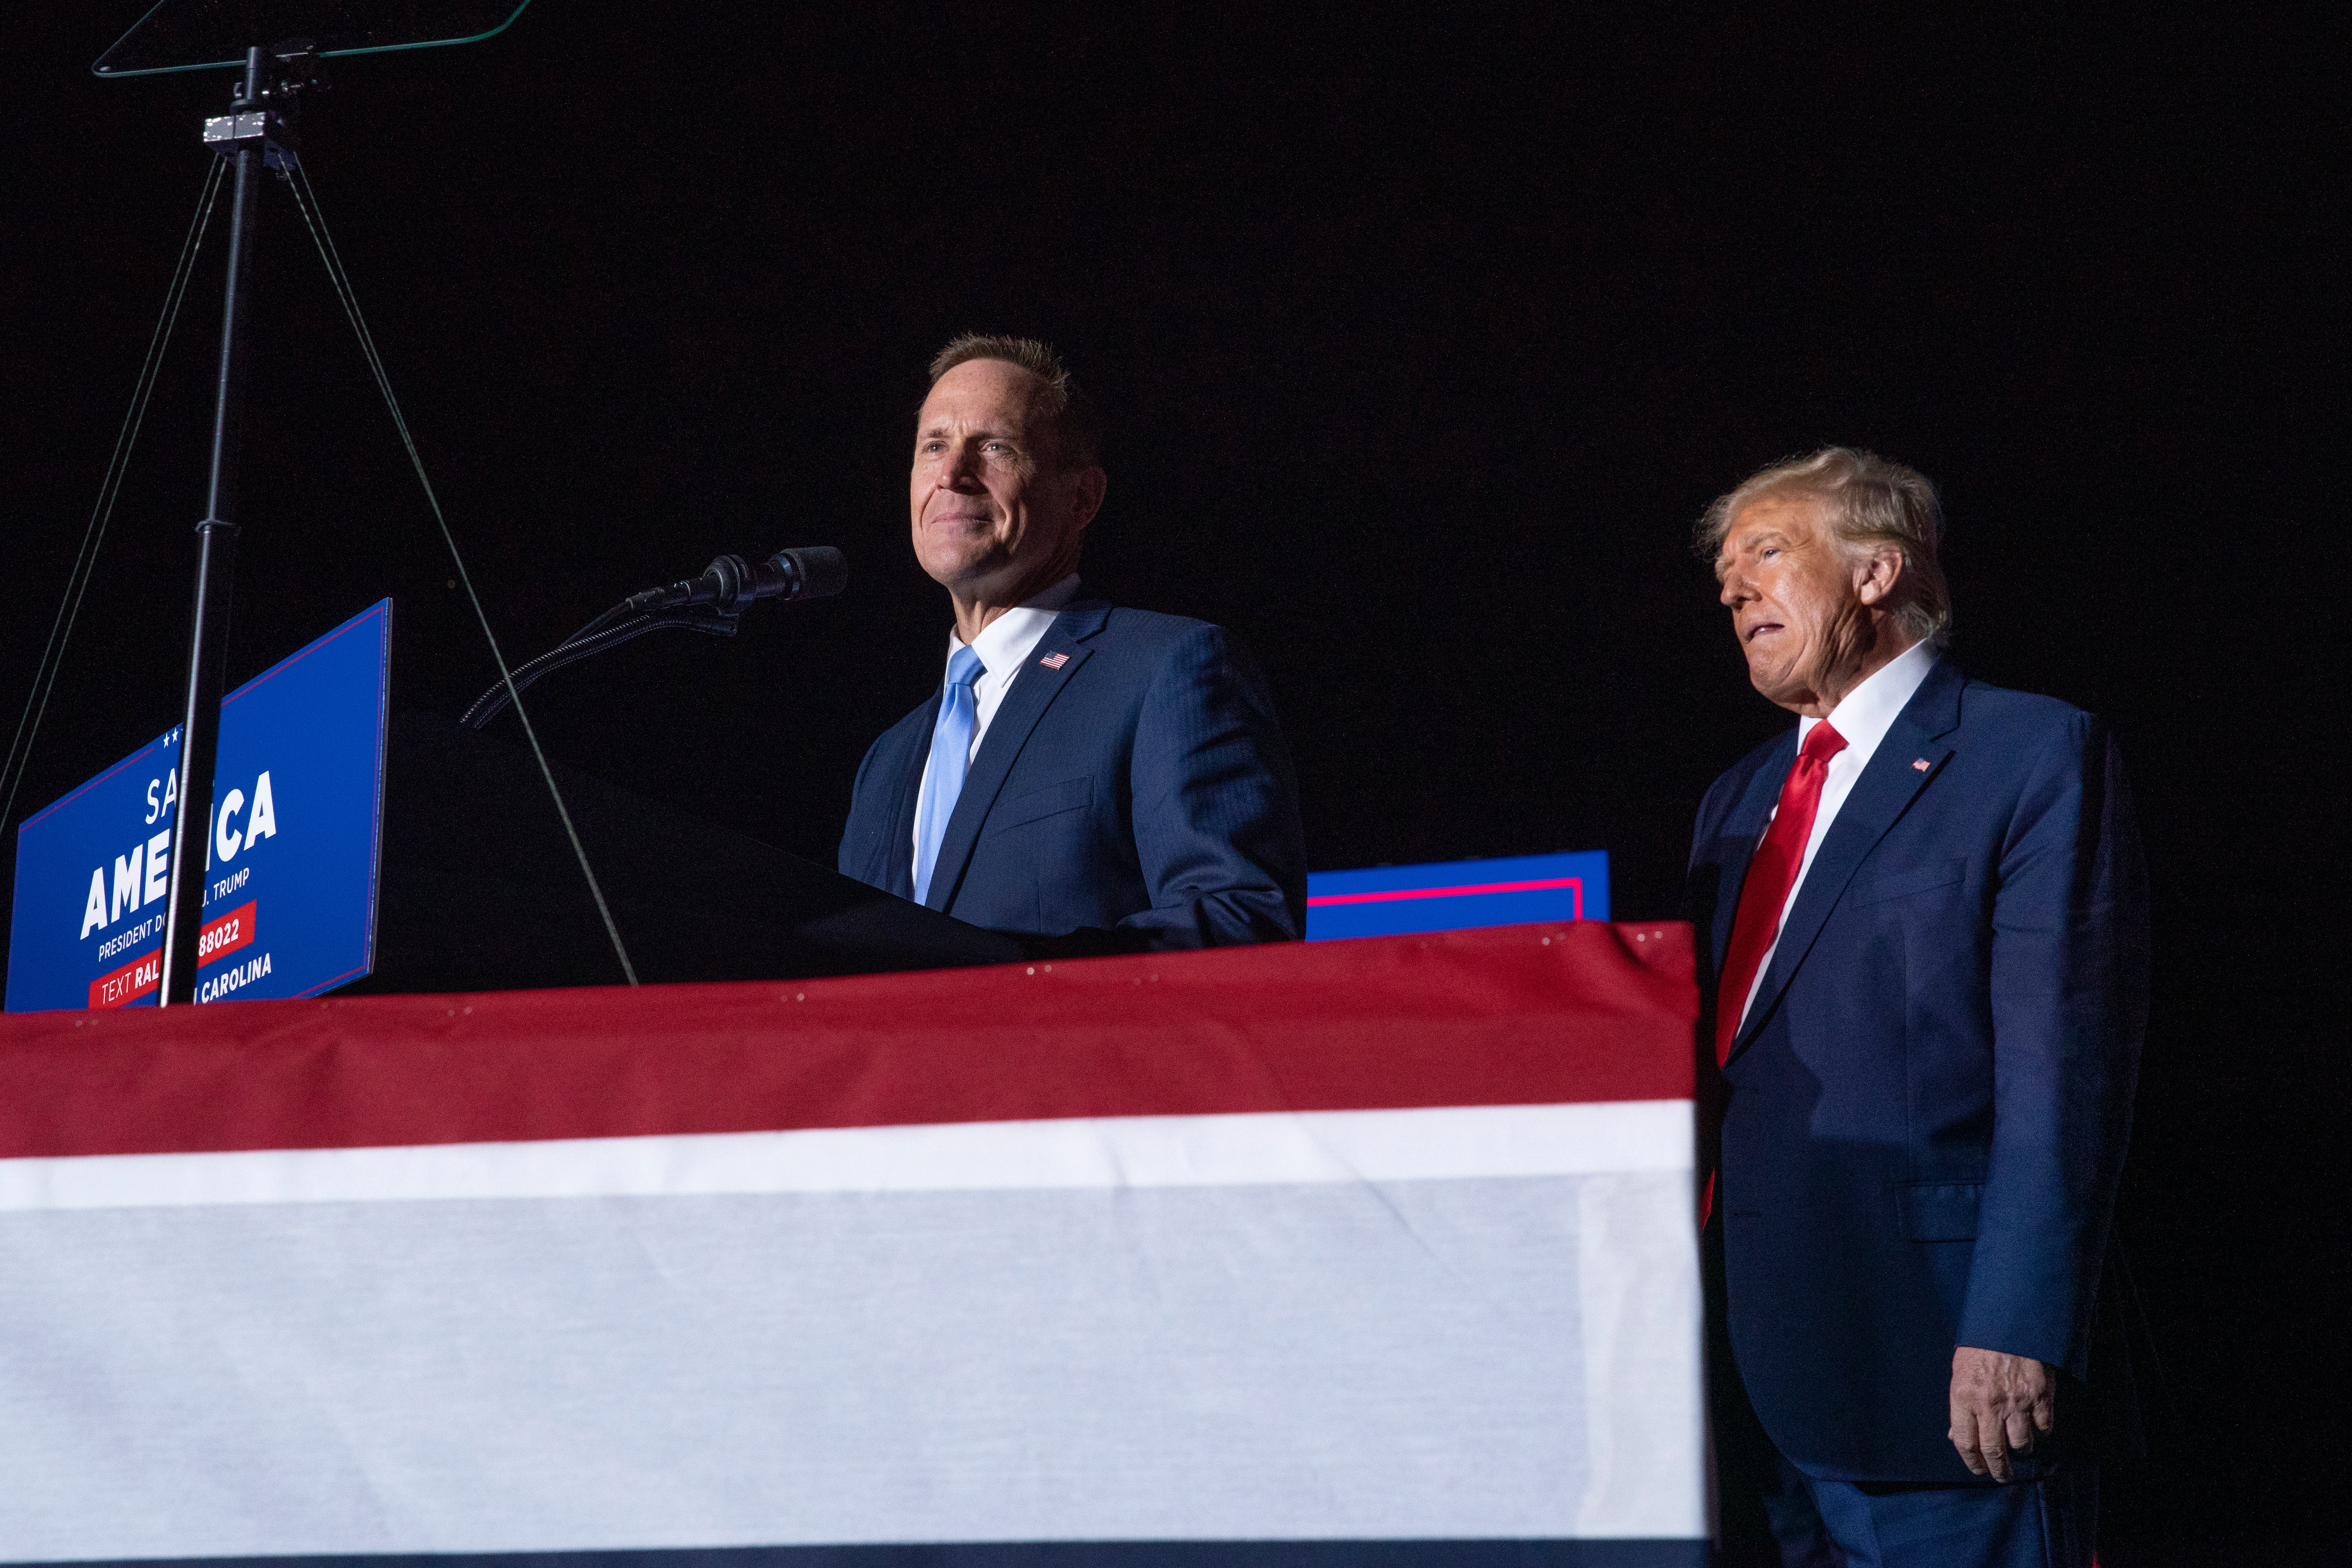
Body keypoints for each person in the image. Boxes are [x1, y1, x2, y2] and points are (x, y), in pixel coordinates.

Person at [1688, 448, 2147, 1565]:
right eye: (1722, 576)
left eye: (1764, 552)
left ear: (1875, 570)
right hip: (1749, 1380)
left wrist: (2015, 1324)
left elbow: (2061, 1073)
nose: (1732, 588)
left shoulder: (2029, 751)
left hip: (1940, 1367)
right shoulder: (1735, 800)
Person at [838, 334, 1306, 949]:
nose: (952, 473)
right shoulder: (887, 760)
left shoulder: (1168, 671)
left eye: (994, 446)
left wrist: (1010, 981)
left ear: (1081, 497)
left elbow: (1241, 921)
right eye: (934, 446)